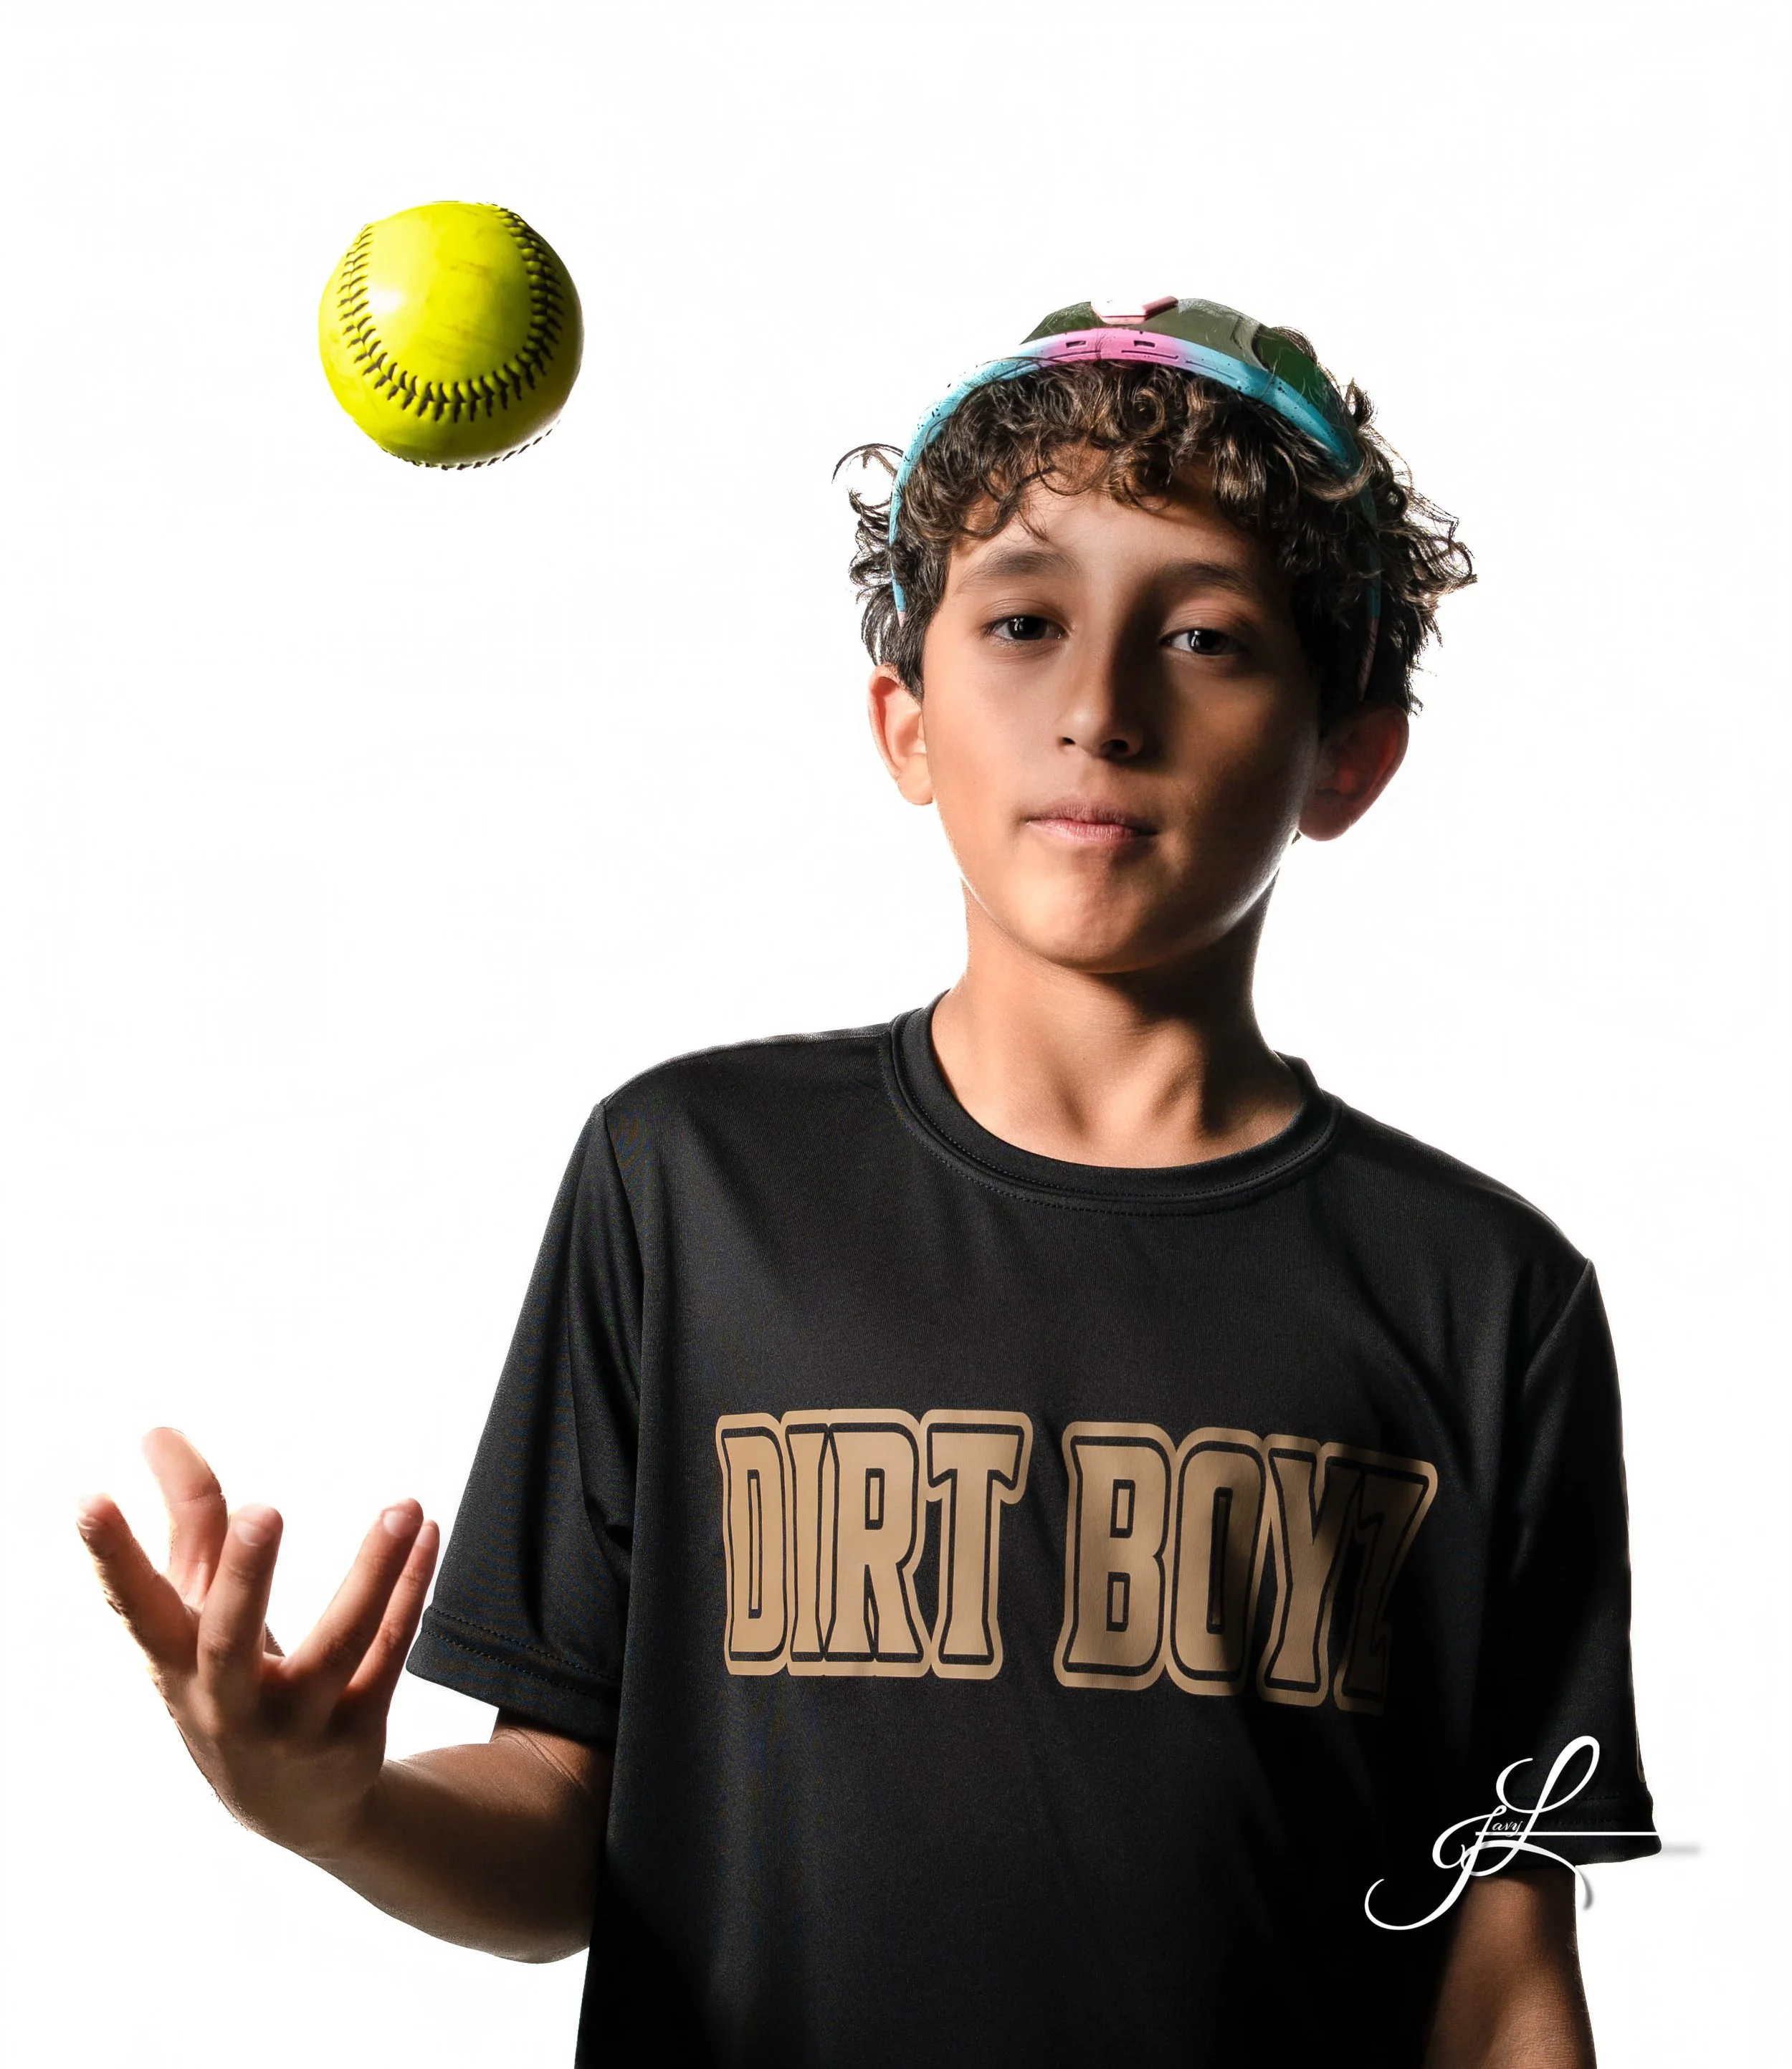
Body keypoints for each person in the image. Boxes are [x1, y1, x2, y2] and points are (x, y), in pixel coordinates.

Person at [77, 296, 1658, 2067]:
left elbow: (1502, 1969)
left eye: (1205, 636)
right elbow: (567, 1835)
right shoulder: (692, 1188)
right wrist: (331, 1807)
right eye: (1023, 622)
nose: (1098, 709)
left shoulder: (1482, 1297)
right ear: (905, 722)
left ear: (1342, 758)